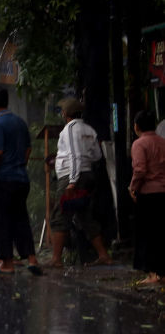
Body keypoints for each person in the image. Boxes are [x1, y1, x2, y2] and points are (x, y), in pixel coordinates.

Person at [47, 97, 113, 267]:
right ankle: (103, 255)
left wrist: (72, 181)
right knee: (85, 215)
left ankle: (56, 259)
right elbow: (97, 155)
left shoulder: (70, 129)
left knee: (60, 215)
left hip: (72, 177)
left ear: (66, 113)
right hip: (87, 174)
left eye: (62, 111)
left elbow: (75, 154)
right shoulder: (89, 129)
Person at [0, 86, 42, 275]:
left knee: (1, 220)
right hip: (21, 179)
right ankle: (32, 259)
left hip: (4, 179)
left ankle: (6, 262)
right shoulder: (20, 122)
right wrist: (19, 165)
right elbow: (27, 150)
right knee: (20, 219)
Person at [129, 110, 165, 286]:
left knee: (148, 234)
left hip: (148, 194)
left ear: (136, 126)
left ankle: (153, 274)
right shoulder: (162, 142)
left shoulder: (139, 144)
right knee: (161, 233)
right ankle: (162, 272)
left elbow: (140, 170)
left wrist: (133, 188)